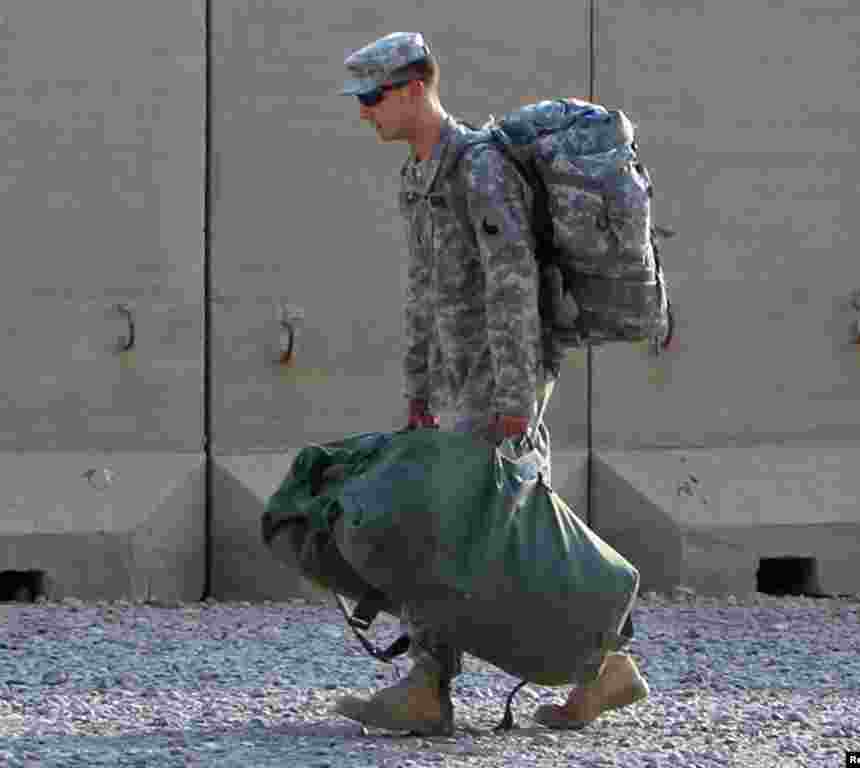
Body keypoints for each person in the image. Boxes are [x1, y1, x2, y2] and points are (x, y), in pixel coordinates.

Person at [333, 31, 649, 736]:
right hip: (451, 384)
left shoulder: (479, 169)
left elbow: (512, 289)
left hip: (497, 380)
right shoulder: (417, 177)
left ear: (414, 88)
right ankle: (586, 670)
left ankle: (453, 685)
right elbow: (421, 295)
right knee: (467, 527)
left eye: (372, 96)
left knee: (481, 529)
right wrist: (417, 392)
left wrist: (513, 402)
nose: (364, 112)